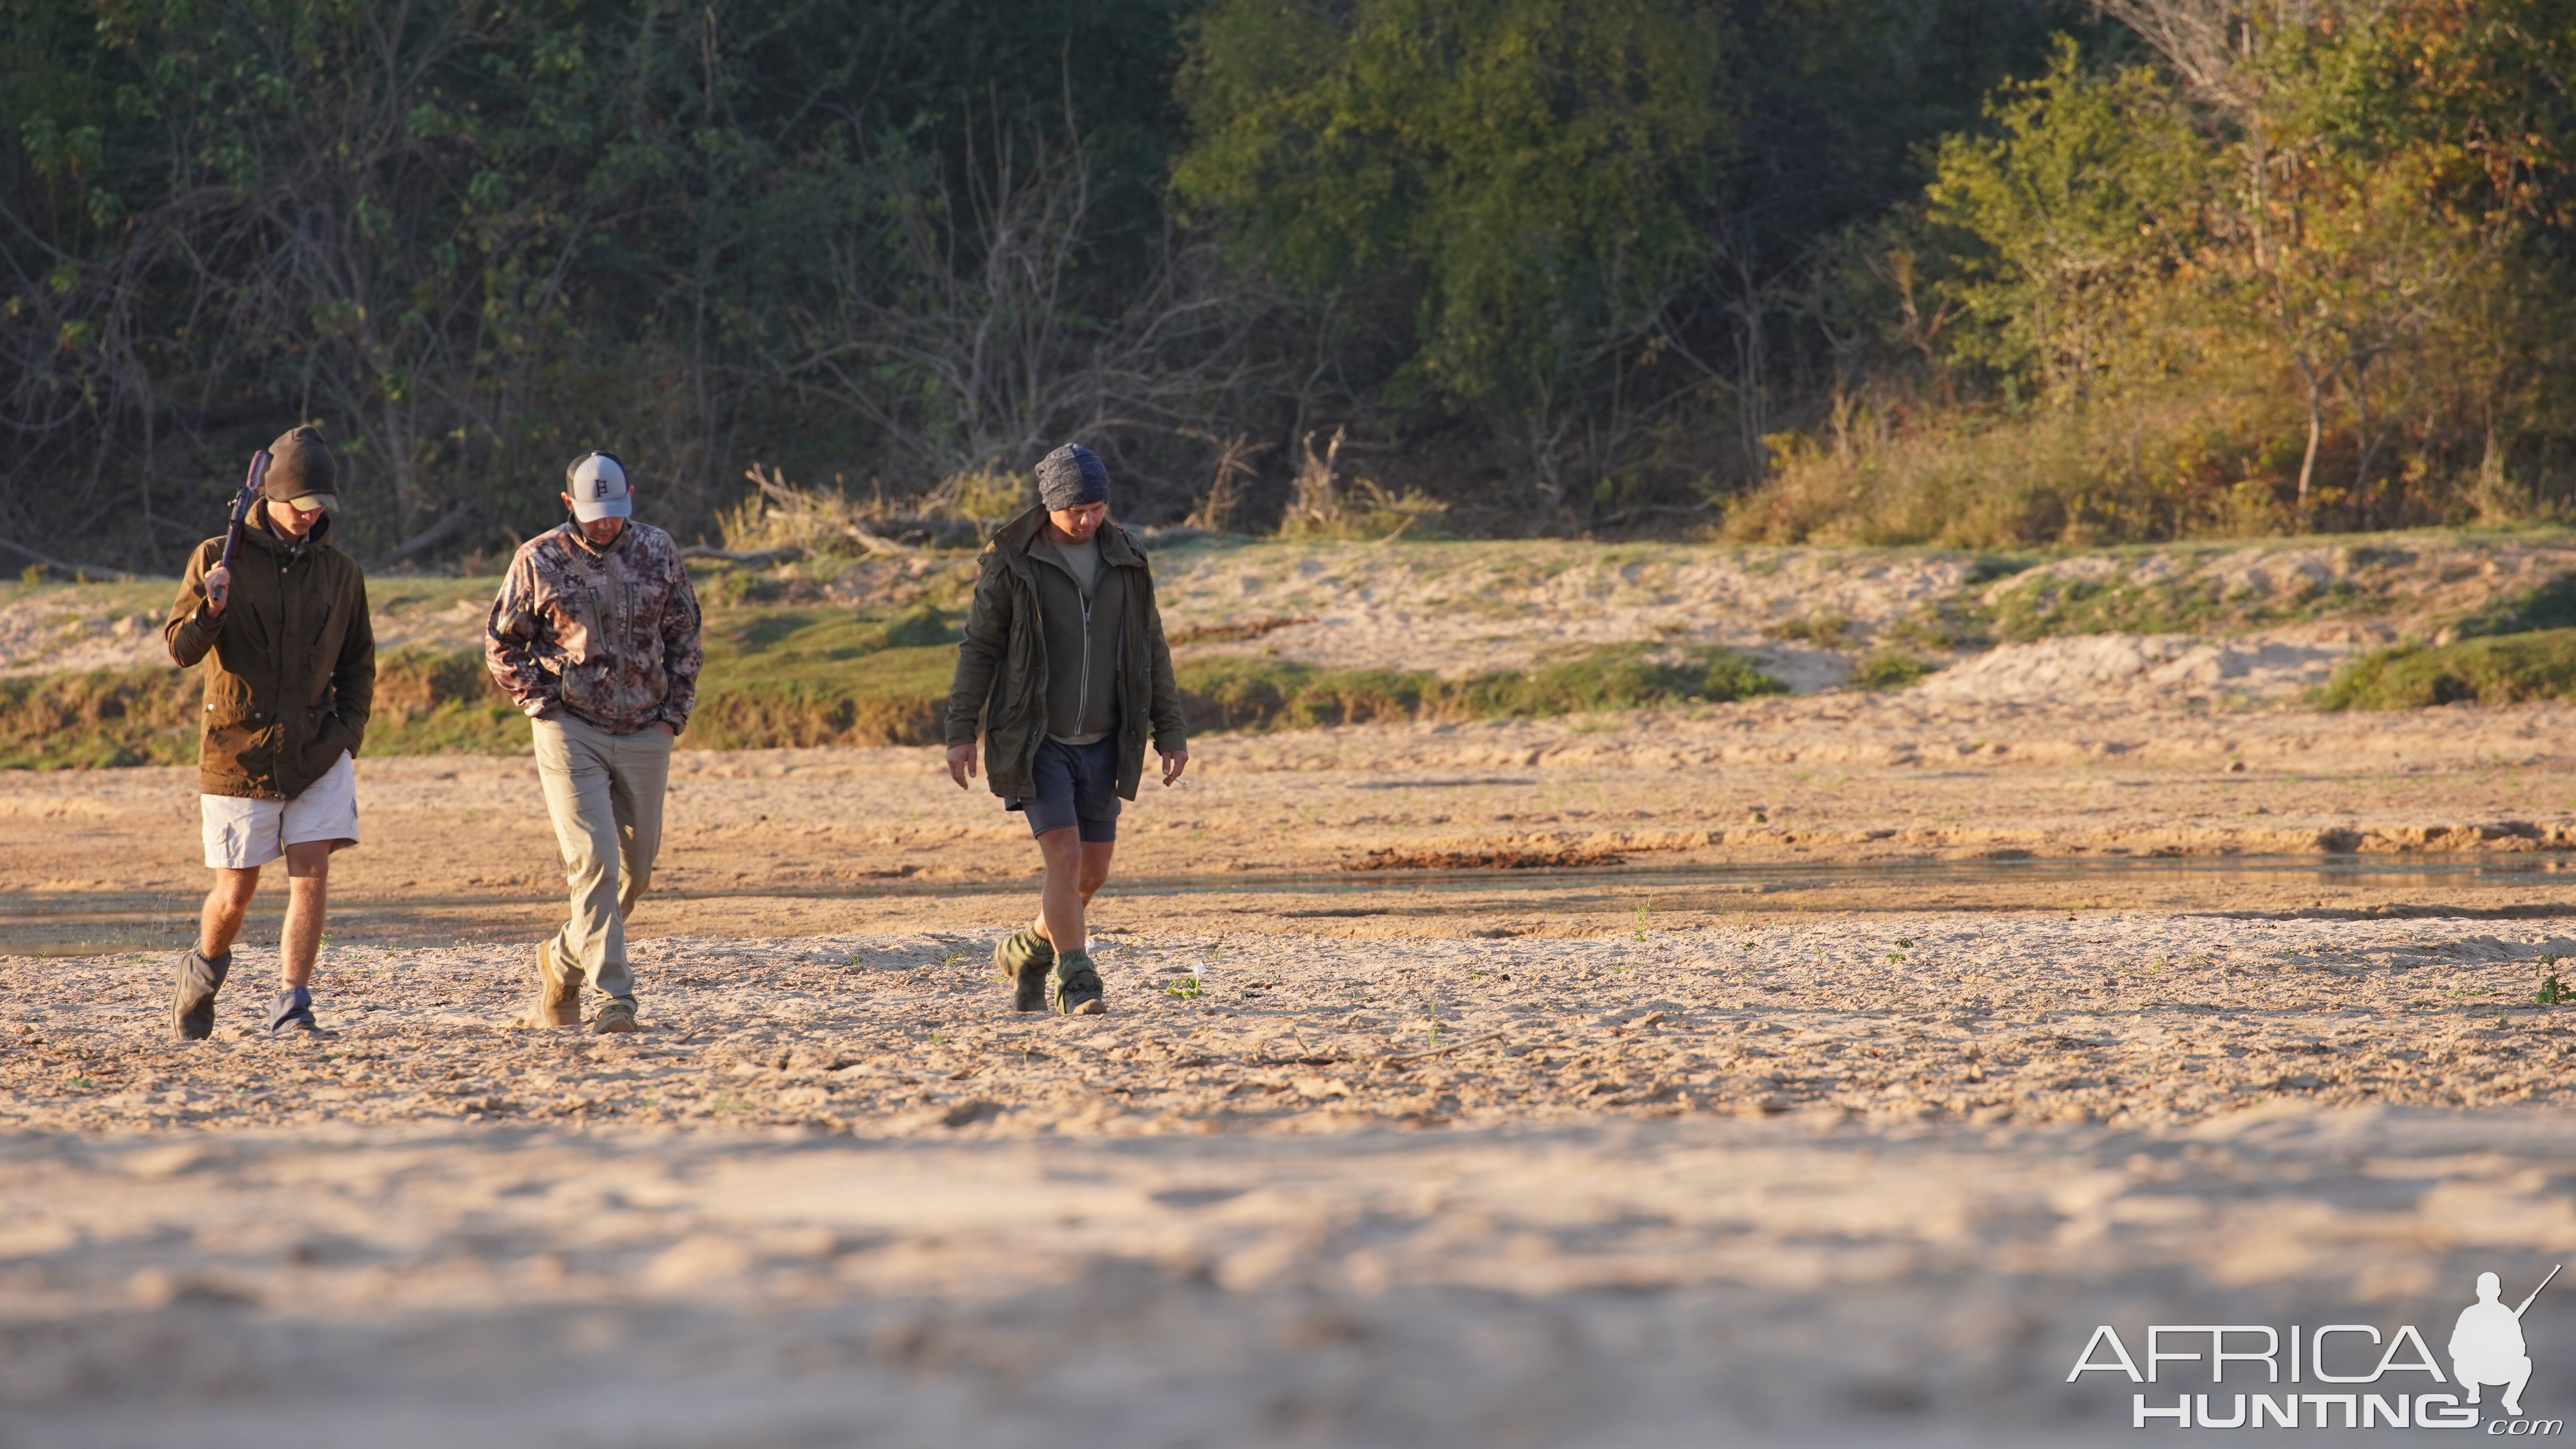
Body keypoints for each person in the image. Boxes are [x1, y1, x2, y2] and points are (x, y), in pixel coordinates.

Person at [945, 443, 1188, 1015]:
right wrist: (962, 730)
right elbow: (979, 648)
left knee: (1093, 872)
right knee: (1066, 857)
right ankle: (1077, 979)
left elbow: (1151, 646)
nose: (1088, 521)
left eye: (1097, 508)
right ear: (1051, 505)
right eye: (1077, 511)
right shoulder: (1012, 559)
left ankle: (1029, 948)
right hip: (1036, 739)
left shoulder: (1127, 557)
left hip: (1107, 741)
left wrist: (1170, 730)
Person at [164, 426, 374, 1041]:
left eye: (321, 508)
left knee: (311, 870)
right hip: (237, 752)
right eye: (302, 506)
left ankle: (294, 1005)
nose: (311, 518)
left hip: (318, 748)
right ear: (270, 497)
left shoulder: (342, 574)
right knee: (236, 891)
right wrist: (212, 610)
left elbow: (359, 664)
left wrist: (348, 732)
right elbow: (181, 648)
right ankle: (203, 975)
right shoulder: (215, 558)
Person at [485, 452, 702, 1034]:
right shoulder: (538, 558)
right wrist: (543, 706)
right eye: (592, 514)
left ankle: (561, 961)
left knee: (636, 872)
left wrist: (671, 718)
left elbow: (685, 635)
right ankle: (616, 998)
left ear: (631, 495)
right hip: (571, 729)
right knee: (595, 862)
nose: (605, 524)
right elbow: (502, 644)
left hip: (645, 729)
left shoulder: (659, 550)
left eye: (614, 512)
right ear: (568, 505)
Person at [2450, 1270, 2536, 1416]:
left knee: (2525, 1363)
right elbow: (2454, 1347)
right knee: (2459, 1363)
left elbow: (2520, 1348)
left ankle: (2511, 1400)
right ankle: (2473, 1390)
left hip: (2500, 1369)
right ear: (2478, 1292)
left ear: (2498, 1292)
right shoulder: (2469, 1314)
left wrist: (2501, 1347)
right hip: (2473, 1369)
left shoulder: (2507, 1314)